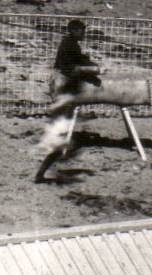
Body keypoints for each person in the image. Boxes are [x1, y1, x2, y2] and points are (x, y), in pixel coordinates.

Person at [34, 19, 105, 182]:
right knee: (60, 137)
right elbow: (72, 68)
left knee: (62, 135)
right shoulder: (70, 45)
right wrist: (92, 73)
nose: (84, 34)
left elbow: (78, 59)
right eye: (82, 31)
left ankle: (43, 171)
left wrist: (89, 64)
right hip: (62, 85)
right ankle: (41, 172)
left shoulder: (70, 44)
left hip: (63, 86)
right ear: (74, 30)